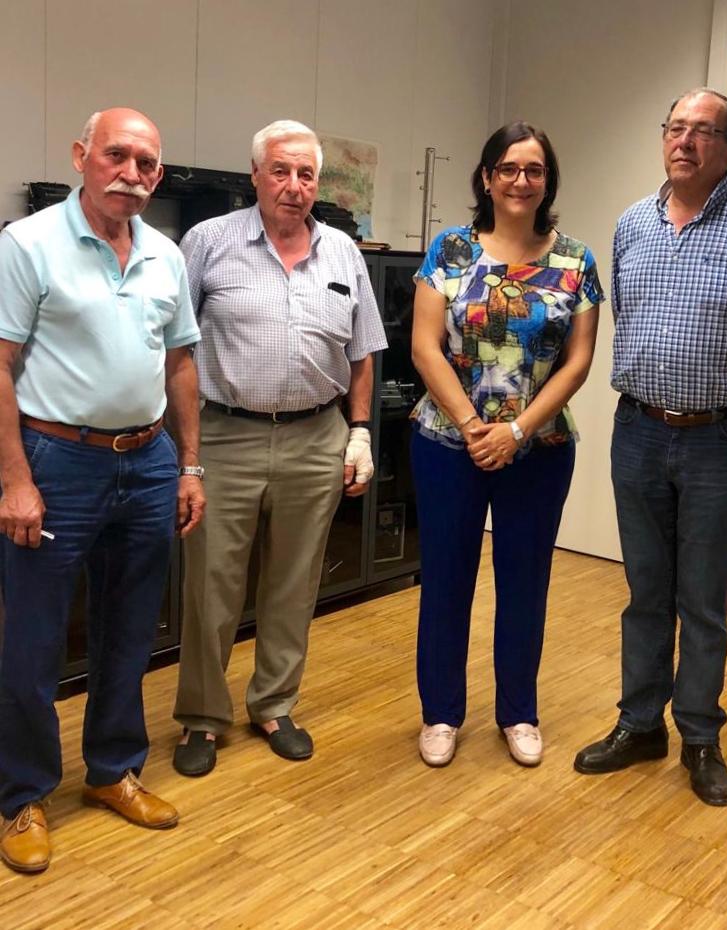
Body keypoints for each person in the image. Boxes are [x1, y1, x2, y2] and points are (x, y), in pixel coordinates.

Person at [573, 88, 727, 806]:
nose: (685, 141)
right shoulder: (632, 224)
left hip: (724, 438)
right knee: (645, 593)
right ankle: (639, 723)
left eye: (703, 131)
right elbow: (628, 314)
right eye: (675, 128)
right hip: (639, 430)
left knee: (702, 599)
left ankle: (700, 736)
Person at [0, 108, 204, 873]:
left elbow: (180, 364)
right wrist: (14, 480)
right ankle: (22, 795)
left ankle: (113, 770)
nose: (132, 173)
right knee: (34, 639)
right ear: (81, 156)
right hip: (56, 461)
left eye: (147, 163)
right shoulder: (28, 244)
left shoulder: (165, 254)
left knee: (131, 629)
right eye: (117, 155)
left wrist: (189, 465)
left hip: (147, 461)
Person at [171, 120, 386, 776]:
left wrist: (359, 431)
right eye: (281, 171)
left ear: (317, 184)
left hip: (316, 437)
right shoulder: (208, 242)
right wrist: (186, 453)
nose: (294, 186)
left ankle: (274, 703)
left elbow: (363, 353)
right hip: (225, 434)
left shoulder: (343, 252)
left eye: (306, 174)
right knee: (212, 586)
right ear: (256, 176)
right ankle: (202, 717)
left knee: (295, 582)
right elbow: (176, 349)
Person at [410, 121, 603, 768]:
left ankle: (519, 712)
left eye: (534, 170)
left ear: (548, 181)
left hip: (539, 448)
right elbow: (424, 346)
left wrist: (517, 431)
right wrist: (474, 427)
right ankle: (441, 713)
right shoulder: (451, 249)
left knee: (525, 582)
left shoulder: (576, 261)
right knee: (446, 580)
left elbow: (578, 362)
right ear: (487, 177)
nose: (521, 180)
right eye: (509, 168)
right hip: (448, 444)